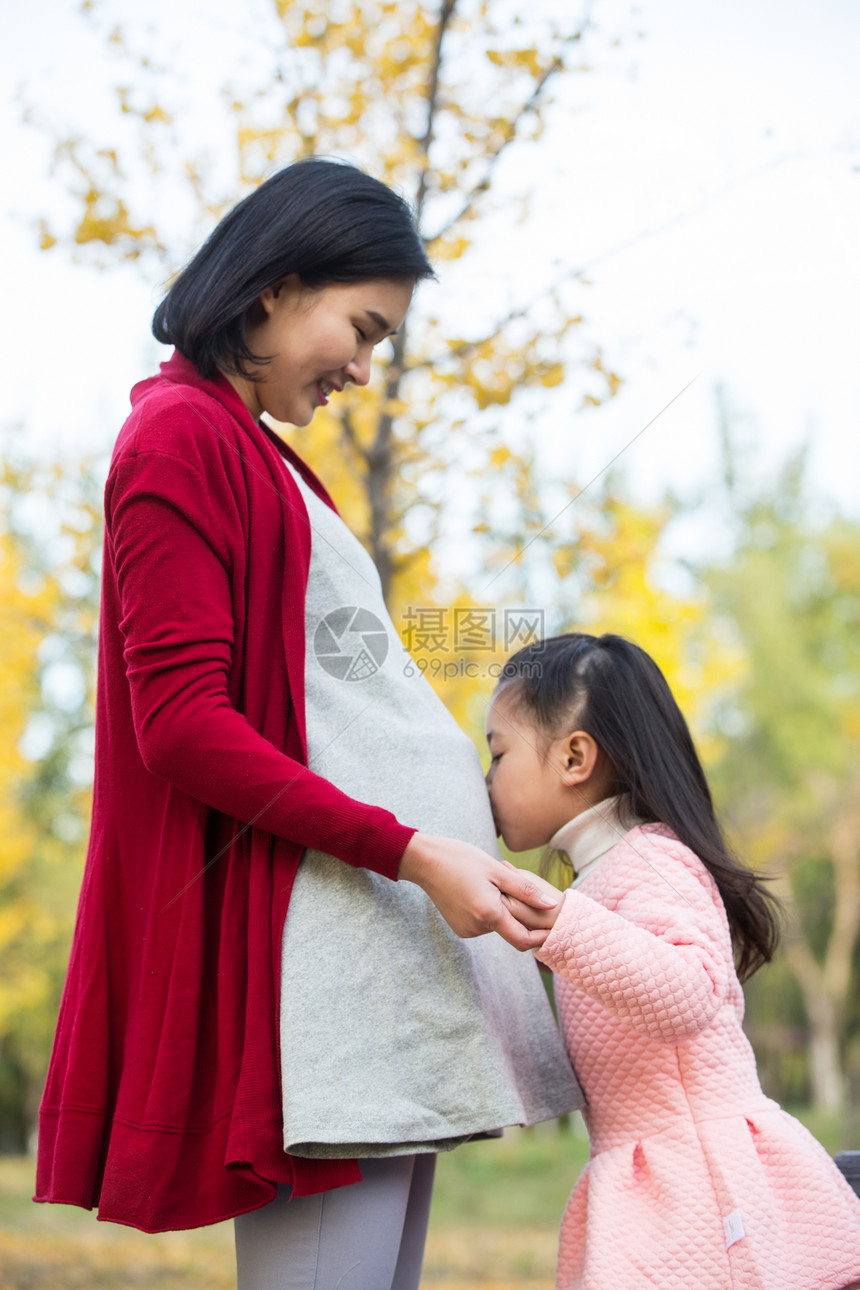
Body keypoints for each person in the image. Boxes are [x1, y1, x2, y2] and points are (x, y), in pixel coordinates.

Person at [34, 158, 582, 1289]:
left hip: (374, 951)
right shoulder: (177, 442)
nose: (364, 371)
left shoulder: (259, 457)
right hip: (324, 959)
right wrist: (413, 849)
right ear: (278, 287)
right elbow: (181, 725)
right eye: (362, 328)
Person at [484, 631, 860, 1290]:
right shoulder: (597, 882)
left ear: (574, 756)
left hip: (705, 1184)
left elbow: (691, 989)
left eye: (498, 754)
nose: (486, 781)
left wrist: (565, 928)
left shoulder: (652, 860)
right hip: (653, 1178)